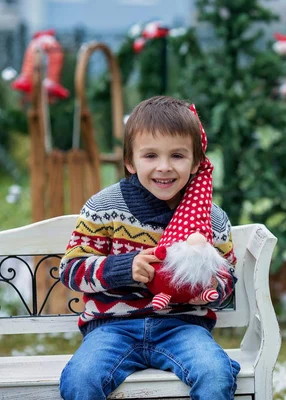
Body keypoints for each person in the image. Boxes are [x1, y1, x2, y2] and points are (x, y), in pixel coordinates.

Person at [58, 96, 240, 400]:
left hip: (182, 327)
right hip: (111, 329)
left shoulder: (211, 218)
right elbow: (71, 270)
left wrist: (204, 281)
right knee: (81, 379)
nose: (164, 168)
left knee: (214, 373)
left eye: (178, 156)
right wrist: (121, 268)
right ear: (130, 161)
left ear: (196, 162)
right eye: (151, 155)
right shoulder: (105, 207)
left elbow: (226, 280)